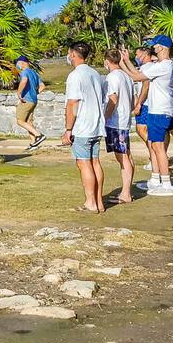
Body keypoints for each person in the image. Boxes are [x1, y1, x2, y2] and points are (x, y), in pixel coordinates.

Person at [119, 37, 173, 196]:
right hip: (155, 109)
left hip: (160, 110)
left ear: (163, 47)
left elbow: (137, 77)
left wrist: (122, 64)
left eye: (156, 46)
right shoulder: (161, 65)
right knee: (152, 144)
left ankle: (166, 184)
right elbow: (139, 73)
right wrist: (126, 61)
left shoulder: (164, 66)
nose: (153, 49)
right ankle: (155, 179)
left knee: (158, 147)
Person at [62, 41, 108, 214]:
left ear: (73, 54)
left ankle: (90, 202)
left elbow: (73, 102)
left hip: (83, 126)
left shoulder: (75, 76)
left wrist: (68, 129)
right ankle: (99, 201)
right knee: (95, 161)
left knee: (84, 163)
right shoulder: (95, 74)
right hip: (96, 125)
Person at [102, 49, 136, 203]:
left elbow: (113, 99)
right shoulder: (126, 76)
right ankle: (126, 191)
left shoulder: (113, 77)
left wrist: (105, 118)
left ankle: (126, 193)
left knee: (123, 157)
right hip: (124, 120)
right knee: (126, 156)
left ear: (107, 61)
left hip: (116, 122)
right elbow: (134, 99)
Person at [14, 55, 46, 150]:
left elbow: (24, 81)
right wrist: (35, 93)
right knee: (29, 122)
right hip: (34, 100)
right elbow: (43, 86)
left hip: (26, 100)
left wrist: (19, 93)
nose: (17, 66)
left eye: (17, 64)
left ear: (22, 63)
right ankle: (33, 143)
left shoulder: (24, 72)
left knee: (20, 121)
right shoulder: (34, 73)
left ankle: (39, 135)